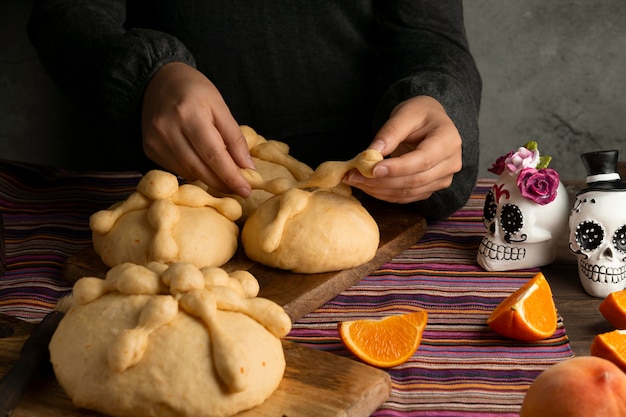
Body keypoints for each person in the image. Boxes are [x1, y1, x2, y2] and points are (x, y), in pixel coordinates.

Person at [27, 0, 482, 219]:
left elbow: (430, 36)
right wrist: (145, 76)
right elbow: (66, 11)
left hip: (366, 201)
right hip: (164, 196)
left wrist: (437, 99)